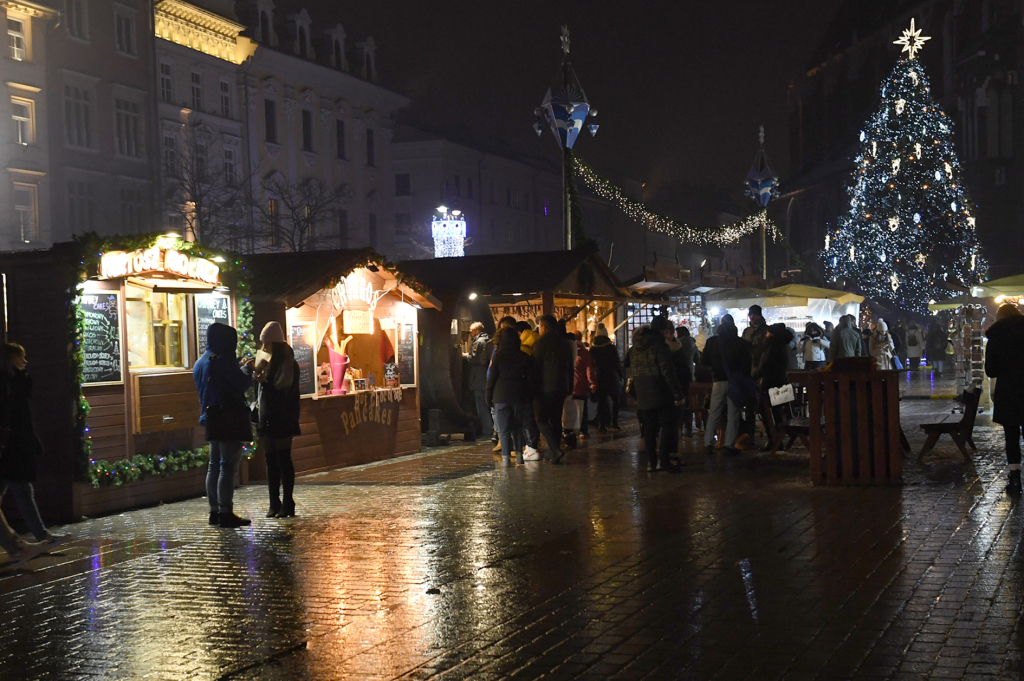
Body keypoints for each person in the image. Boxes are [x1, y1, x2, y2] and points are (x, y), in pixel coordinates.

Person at [0, 343, 72, 549]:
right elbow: (16, 416)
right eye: (20, 357)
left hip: (13, 446)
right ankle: (41, 537)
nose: (25, 361)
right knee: (23, 490)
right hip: (12, 447)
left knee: (19, 490)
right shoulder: (9, 382)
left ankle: (35, 539)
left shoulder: (16, 380)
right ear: (11, 359)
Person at [194, 322, 254, 528]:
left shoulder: (201, 362)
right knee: (227, 468)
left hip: (211, 418)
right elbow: (241, 383)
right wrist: (247, 368)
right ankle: (226, 512)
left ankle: (214, 511)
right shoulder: (221, 361)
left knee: (213, 466)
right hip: (229, 418)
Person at [254, 322, 301, 518]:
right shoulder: (266, 359)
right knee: (270, 459)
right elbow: (259, 384)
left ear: (277, 344)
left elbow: (283, 391)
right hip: (265, 415)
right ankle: (274, 502)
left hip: (283, 415)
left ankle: (288, 502)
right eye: (262, 344)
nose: (264, 348)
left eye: (267, 344)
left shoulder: (287, 362)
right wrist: (255, 366)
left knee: (283, 458)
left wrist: (264, 381)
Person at [630, 317, 686, 472]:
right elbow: (667, 370)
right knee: (667, 426)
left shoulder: (635, 346)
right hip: (660, 390)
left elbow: (629, 367)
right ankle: (664, 459)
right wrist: (677, 393)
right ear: (662, 330)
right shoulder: (660, 345)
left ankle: (651, 462)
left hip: (642, 390)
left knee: (648, 429)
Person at [984, 304, 1024, 494]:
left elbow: (990, 370)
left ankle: (1015, 478)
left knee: (1011, 435)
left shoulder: (996, 336)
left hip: (1008, 391)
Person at [701, 315, 752, 454]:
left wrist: (714, 369)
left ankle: (708, 442)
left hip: (718, 380)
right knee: (733, 413)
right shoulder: (741, 343)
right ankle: (730, 444)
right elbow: (747, 363)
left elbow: (703, 361)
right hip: (735, 381)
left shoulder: (712, 342)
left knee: (715, 411)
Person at [486, 328, 535, 467]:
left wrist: (488, 397)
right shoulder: (524, 356)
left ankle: (506, 459)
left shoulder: (498, 356)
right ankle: (519, 456)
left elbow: (491, 379)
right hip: (520, 396)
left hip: (500, 396)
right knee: (517, 428)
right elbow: (531, 379)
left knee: (503, 430)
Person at [531, 315, 574, 463]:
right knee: (556, 418)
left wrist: (533, 388)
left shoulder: (540, 344)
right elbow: (570, 367)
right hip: (561, 386)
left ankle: (555, 449)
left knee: (540, 418)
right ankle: (555, 451)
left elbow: (535, 369)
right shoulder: (564, 343)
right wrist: (570, 387)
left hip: (544, 387)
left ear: (543, 327)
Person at [753, 324, 795, 450]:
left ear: (772, 334)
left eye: (768, 333)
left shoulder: (772, 345)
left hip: (771, 383)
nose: (766, 335)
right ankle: (778, 440)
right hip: (782, 381)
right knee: (778, 413)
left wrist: (754, 374)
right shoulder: (783, 345)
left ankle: (774, 440)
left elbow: (765, 365)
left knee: (766, 412)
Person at [463, 322, 493, 441]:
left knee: (482, 407)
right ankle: (490, 431)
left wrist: (465, 355)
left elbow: (475, 359)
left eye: (471, 330)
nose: (469, 333)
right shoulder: (487, 340)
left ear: (477, 331)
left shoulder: (479, 342)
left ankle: (487, 432)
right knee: (486, 406)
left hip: (479, 380)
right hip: (484, 378)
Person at [590, 325, 622, 433]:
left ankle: (602, 424)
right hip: (612, 376)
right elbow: (617, 363)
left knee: (601, 401)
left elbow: (591, 364)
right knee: (616, 400)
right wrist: (621, 375)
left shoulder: (593, 348)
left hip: (599, 376)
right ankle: (615, 422)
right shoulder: (611, 347)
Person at [569, 331, 595, 444]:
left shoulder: (567, 351)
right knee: (583, 409)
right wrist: (592, 382)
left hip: (569, 384)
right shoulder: (584, 353)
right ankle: (583, 430)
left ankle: (569, 430)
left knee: (570, 408)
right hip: (581, 384)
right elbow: (589, 369)